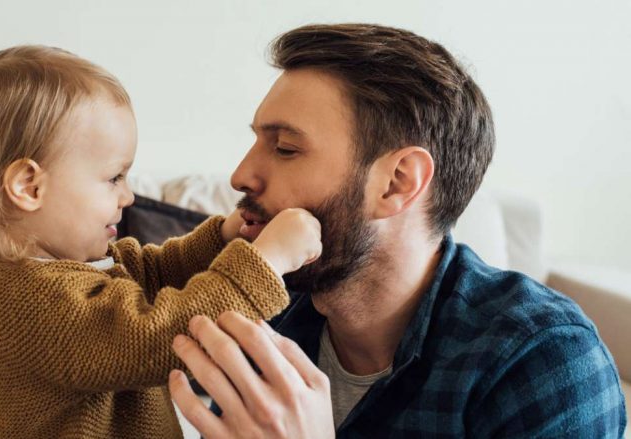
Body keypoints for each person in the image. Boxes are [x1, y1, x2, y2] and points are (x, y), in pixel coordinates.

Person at [168, 23, 627, 438]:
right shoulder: (262, 310)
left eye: (286, 148)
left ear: (398, 183)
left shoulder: (541, 361)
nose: (241, 175)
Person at [0, 45, 322, 439]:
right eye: (114, 178)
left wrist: (221, 238)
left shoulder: (63, 265)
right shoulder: (31, 296)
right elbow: (161, 336)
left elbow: (154, 274)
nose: (128, 197)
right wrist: (266, 262)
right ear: (29, 187)